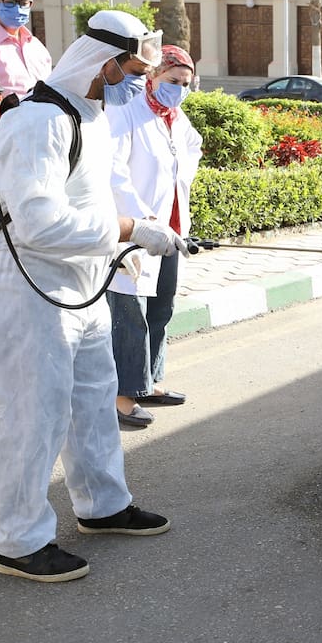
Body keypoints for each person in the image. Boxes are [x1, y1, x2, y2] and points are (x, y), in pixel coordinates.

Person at [0, 10, 189, 583]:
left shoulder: (88, 117)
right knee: (32, 413)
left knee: (94, 400)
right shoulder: (38, 121)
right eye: (132, 70)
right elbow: (38, 226)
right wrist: (128, 230)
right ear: (102, 63)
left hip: (80, 283)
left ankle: (102, 505)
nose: (138, 82)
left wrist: (136, 228)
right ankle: (18, 542)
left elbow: (89, 204)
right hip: (27, 286)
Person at [107, 45, 203, 428]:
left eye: (185, 83)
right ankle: (122, 395)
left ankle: (149, 381)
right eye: (172, 81)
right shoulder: (128, 112)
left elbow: (191, 152)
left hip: (172, 229)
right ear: (152, 76)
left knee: (161, 306)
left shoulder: (177, 119)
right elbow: (114, 172)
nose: (178, 89)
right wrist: (143, 217)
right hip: (134, 230)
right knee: (131, 313)